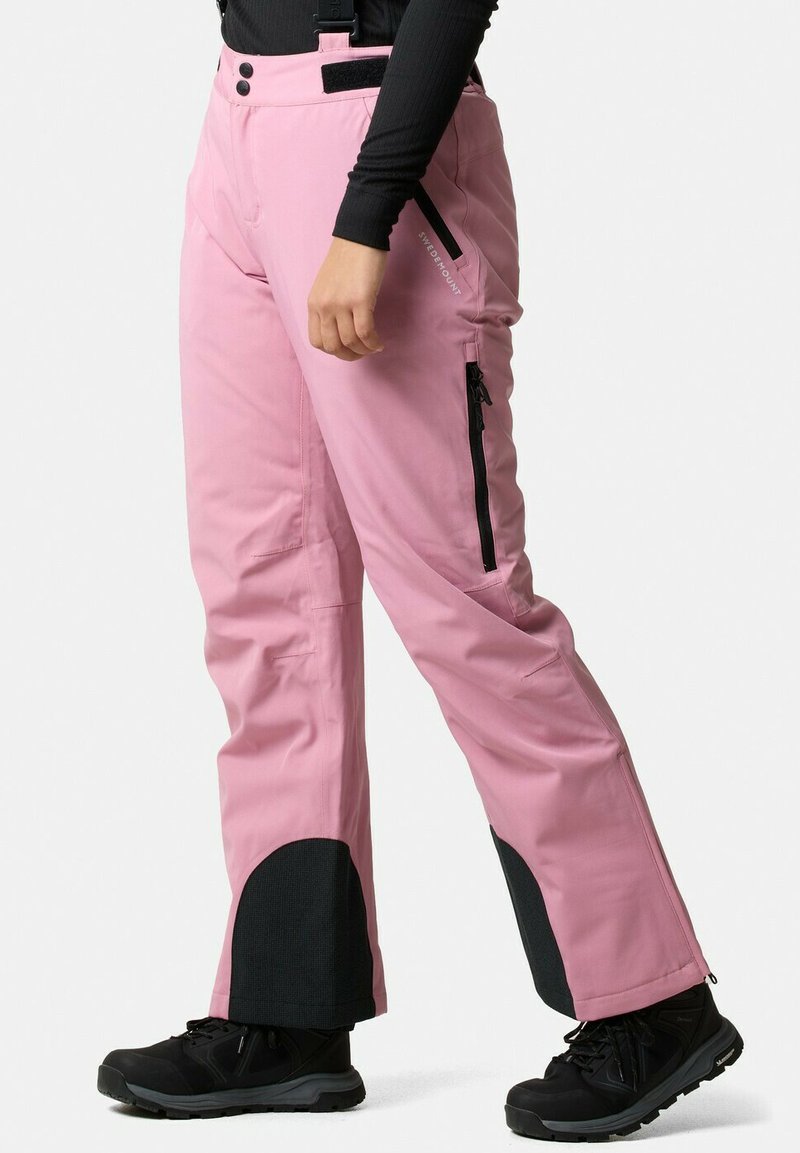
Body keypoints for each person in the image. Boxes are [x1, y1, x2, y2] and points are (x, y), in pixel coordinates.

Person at [96, 1, 743, 1139]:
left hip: (380, 137)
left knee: (463, 607)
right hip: (237, 121)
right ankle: (285, 1010)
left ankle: (650, 999)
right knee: (264, 596)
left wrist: (368, 209)